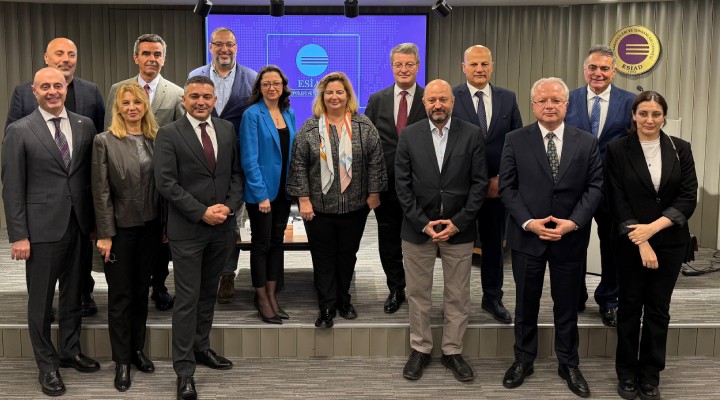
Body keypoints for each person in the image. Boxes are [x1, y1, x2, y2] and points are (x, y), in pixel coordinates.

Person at [499, 77, 603, 398]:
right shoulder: (515, 139)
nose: (549, 106)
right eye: (542, 100)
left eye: (556, 100)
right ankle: (523, 359)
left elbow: (595, 187)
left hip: (569, 238)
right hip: (528, 237)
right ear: (533, 105)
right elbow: (507, 187)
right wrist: (529, 222)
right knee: (525, 303)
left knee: (567, 305)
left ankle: (568, 363)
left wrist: (574, 223)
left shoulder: (586, 142)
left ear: (566, 105)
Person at [2, 67, 100, 397]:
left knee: (73, 296)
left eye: (57, 85)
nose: (52, 91)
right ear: (34, 91)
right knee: (41, 303)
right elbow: (12, 187)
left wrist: (96, 224)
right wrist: (18, 235)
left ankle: (70, 351)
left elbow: (90, 178)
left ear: (66, 88)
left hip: (79, 226)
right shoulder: (19, 130)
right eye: (45, 86)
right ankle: (47, 365)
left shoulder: (85, 125)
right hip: (41, 230)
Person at [154, 75, 244, 400]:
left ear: (215, 100)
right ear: (184, 100)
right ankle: (184, 371)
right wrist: (202, 212)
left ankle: (201, 347)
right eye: (194, 96)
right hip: (188, 230)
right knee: (187, 300)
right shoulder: (168, 134)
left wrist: (229, 208)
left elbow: (236, 174)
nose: (201, 102)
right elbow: (166, 184)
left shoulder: (226, 129)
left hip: (222, 228)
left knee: (208, 294)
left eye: (207, 96)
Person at [605, 91, 697, 400]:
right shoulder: (617, 149)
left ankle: (650, 374)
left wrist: (654, 229)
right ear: (633, 115)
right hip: (630, 243)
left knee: (658, 309)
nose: (649, 119)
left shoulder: (680, 148)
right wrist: (641, 240)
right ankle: (626, 373)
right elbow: (616, 199)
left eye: (656, 114)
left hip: (670, 241)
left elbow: (688, 197)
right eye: (643, 113)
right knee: (630, 306)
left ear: (664, 117)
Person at [6, 37, 106, 318]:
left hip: (79, 202)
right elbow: (12, 148)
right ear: (46, 58)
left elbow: (99, 146)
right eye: (59, 53)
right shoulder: (23, 93)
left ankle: (83, 294)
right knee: (43, 273)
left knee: (78, 266)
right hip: (43, 204)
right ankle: (44, 303)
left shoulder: (91, 91)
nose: (66, 59)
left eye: (71, 54)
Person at [395, 79, 487, 382]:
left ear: (452, 102)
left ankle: (452, 351)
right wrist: (422, 222)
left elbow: (479, 184)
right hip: (417, 229)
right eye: (432, 100)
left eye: (443, 99)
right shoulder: (409, 135)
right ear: (424, 103)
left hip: (458, 229)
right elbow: (402, 185)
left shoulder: (471, 134)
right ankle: (420, 349)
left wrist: (458, 222)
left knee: (458, 294)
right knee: (418, 293)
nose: (438, 105)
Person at [287, 71, 387, 328]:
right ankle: (326, 306)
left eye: (339, 92)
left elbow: (376, 161)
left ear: (347, 95)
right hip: (318, 210)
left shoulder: (364, 126)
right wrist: (303, 200)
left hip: (355, 208)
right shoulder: (310, 128)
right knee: (323, 259)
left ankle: (344, 300)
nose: (334, 97)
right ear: (322, 96)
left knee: (347, 256)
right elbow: (298, 165)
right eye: (329, 92)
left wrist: (374, 193)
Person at [106, 33, 185, 311]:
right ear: (136, 57)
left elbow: (180, 138)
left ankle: (159, 285)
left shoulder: (176, 93)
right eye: (146, 53)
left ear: (164, 59)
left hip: (159, 181)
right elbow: (108, 133)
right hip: (126, 182)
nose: (152, 59)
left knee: (160, 244)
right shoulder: (118, 89)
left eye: (157, 54)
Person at [91, 83, 162, 392]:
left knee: (141, 292)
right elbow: (101, 192)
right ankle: (121, 361)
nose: (132, 107)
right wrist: (105, 234)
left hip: (151, 229)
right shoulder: (104, 141)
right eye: (126, 103)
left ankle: (136, 350)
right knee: (120, 296)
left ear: (146, 106)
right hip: (120, 231)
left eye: (138, 102)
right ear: (118, 108)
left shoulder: (156, 139)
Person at [565, 44, 636, 327]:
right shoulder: (568, 99)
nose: (598, 73)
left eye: (604, 68)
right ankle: (575, 296)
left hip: (612, 189)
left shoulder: (630, 102)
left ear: (614, 71)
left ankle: (609, 300)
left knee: (612, 247)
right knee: (574, 244)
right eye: (593, 67)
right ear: (584, 70)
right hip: (575, 188)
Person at [451, 44, 523, 324]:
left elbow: (516, 143)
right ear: (464, 67)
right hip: (460, 189)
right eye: (474, 64)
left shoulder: (508, 98)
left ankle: (492, 297)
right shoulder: (452, 97)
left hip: (495, 189)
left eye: (484, 64)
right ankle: (456, 300)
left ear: (492, 66)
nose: (479, 69)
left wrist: (502, 179)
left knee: (494, 246)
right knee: (457, 248)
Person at [188, 27, 258, 304]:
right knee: (204, 214)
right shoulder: (196, 75)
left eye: (229, 44)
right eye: (219, 44)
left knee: (231, 220)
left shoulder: (252, 78)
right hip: (201, 159)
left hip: (236, 162)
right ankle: (204, 272)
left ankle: (227, 273)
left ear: (236, 47)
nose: (224, 49)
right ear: (211, 47)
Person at [364, 43, 426, 315]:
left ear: (417, 66)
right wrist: (371, 187)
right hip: (386, 185)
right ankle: (396, 289)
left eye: (409, 64)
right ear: (392, 67)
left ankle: (417, 289)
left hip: (421, 186)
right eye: (398, 64)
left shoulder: (429, 98)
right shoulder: (377, 100)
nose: (403, 69)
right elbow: (366, 143)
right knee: (389, 241)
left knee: (418, 242)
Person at [239, 65, 296, 324]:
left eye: (276, 83)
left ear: (283, 86)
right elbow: (249, 159)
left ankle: (273, 296)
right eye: (266, 84)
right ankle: (261, 298)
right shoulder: (252, 114)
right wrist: (261, 195)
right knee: (261, 245)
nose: (272, 88)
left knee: (277, 244)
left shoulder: (289, 112)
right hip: (261, 193)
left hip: (283, 191)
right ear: (259, 88)